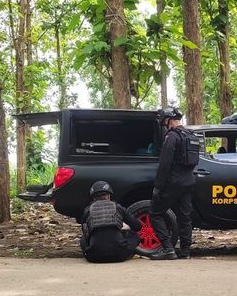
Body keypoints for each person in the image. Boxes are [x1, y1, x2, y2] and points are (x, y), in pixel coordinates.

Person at [150, 106, 200, 260]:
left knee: (155, 213)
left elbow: (165, 164)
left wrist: (158, 187)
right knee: (185, 217)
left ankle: (168, 249)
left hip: (173, 183)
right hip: (188, 182)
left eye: (164, 122)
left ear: (168, 120)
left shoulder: (172, 137)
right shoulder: (190, 135)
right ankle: (185, 252)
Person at [80, 181, 142, 263]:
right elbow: (137, 226)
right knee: (134, 236)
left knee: (82, 239)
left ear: (93, 197)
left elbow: (86, 234)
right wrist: (124, 227)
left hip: (94, 257)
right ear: (109, 195)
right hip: (119, 256)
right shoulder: (118, 207)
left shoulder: (87, 210)